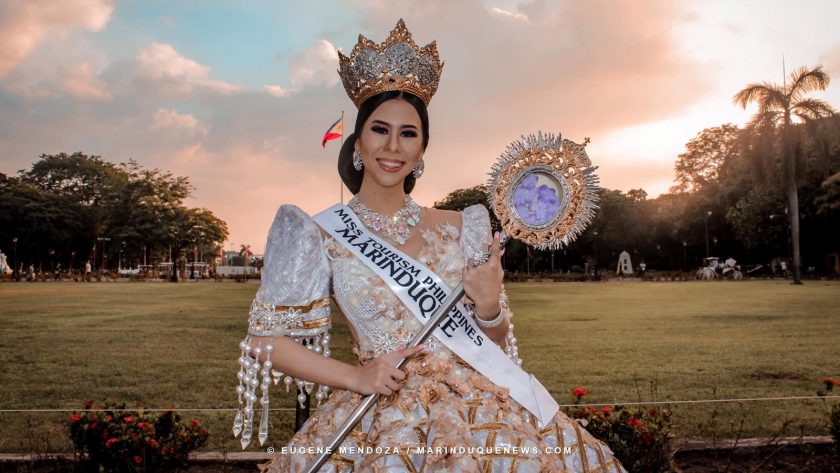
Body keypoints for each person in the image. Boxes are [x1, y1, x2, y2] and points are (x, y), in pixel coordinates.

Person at [235, 20, 625, 472]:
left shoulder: (466, 225)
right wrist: (356, 377)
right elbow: (264, 343)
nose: (393, 146)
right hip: (380, 407)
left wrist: (490, 306)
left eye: (409, 133)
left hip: (480, 409)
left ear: (422, 149)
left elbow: (493, 342)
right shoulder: (320, 232)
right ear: (358, 142)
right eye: (380, 129)